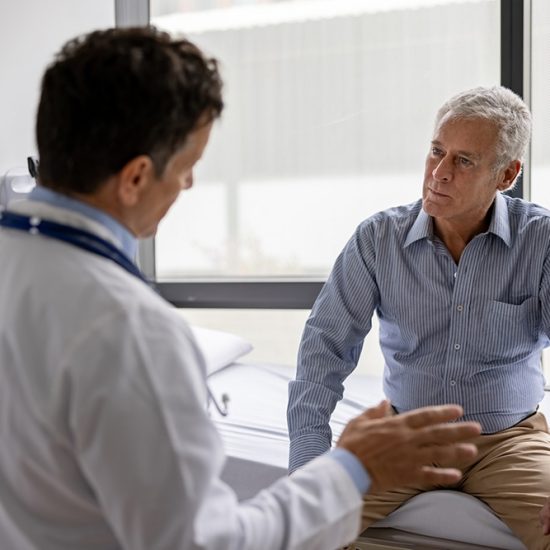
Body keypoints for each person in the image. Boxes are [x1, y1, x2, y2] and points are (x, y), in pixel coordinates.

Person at [0, 27, 482, 550]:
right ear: (136, 177)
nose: (188, 186)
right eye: (187, 168)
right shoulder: (132, 332)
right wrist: (352, 468)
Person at [287, 84, 550, 549]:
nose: (439, 173)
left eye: (464, 161)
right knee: (304, 529)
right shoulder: (377, 238)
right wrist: (309, 462)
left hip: (509, 441)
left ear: (507, 175)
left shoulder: (541, 241)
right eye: (436, 151)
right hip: (404, 436)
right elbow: (324, 348)